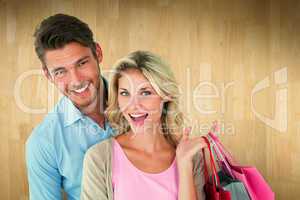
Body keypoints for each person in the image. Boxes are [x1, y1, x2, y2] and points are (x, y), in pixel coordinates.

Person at [81, 51, 206, 200]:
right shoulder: (99, 157)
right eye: (125, 93)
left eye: (145, 93)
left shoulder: (191, 157)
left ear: (166, 95)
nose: (133, 106)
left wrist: (184, 164)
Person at [25, 14, 115, 200]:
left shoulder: (139, 105)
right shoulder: (43, 142)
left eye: (81, 63)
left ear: (97, 53)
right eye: (60, 72)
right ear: (47, 74)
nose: (76, 81)